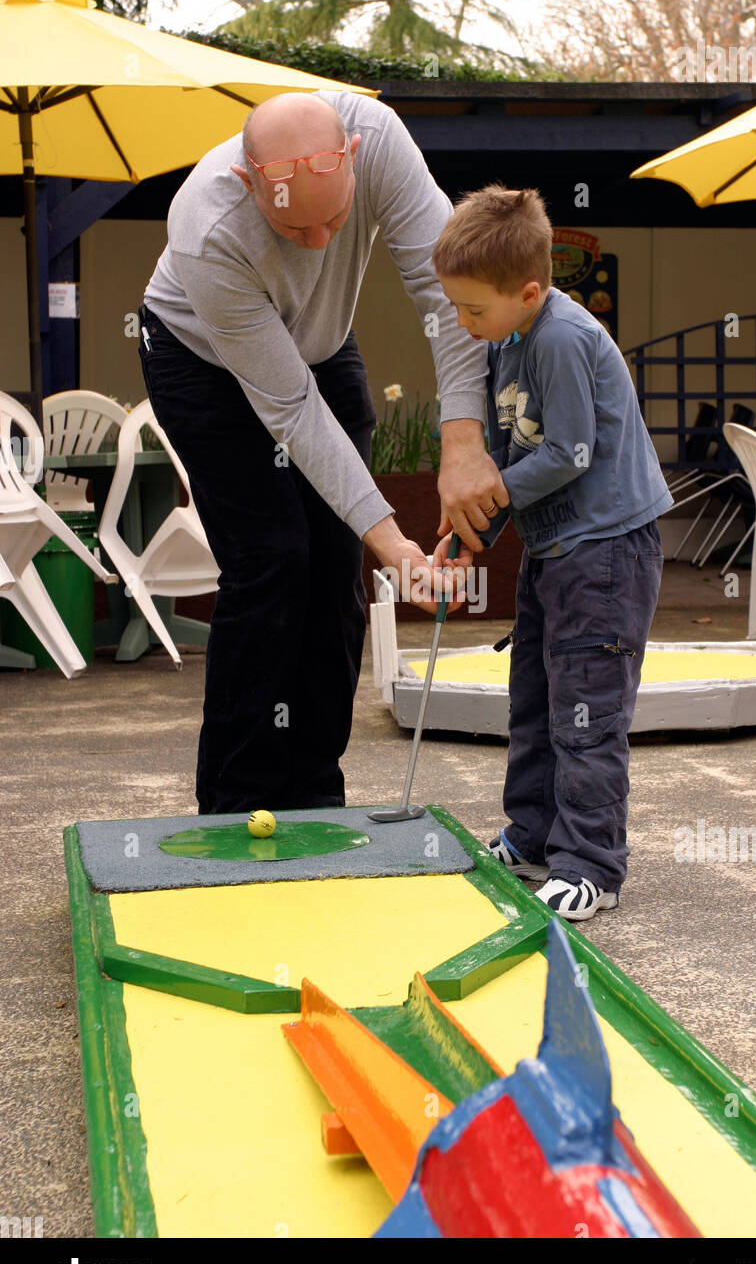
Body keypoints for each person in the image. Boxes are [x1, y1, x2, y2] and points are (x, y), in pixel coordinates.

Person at [138, 91, 508, 814]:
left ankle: (314, 792)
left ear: (354, 161)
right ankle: (236, 803)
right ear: (250, 183)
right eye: (292, 226)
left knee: (336, 566)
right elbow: (291, 409)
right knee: (273, 559)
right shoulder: (206, 226)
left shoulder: (382, 142)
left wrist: (462, 439)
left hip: (322, 343)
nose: (315, 244)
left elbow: (447, 296)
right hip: (201, 359)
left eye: (334, 221)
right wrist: (396, 542)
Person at [432, 186, 673, 921]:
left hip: (604, 552)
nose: (465, 324)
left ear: (528, 290)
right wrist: (471, 529)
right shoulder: (509, 342)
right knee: (534, 701)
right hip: (555, 551)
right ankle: (534, 834)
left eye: (474, 310)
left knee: (585, 713)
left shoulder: (562, 337)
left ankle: (592, 862)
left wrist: (494, 493)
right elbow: (506, 456)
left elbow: (568, 452)